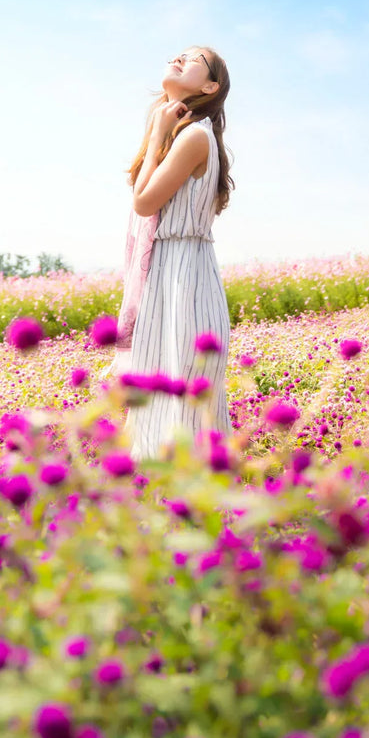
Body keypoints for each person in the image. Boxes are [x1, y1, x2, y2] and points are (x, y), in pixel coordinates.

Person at [110, 46, 235, 461]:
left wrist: (161, 133)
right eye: (177, 53)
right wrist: (160, 131)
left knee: (181, 387)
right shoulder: (188, 132)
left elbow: (143, 202)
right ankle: (162, 496)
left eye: (194, 58)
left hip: (184, 276)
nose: (179, 58)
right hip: (170, 271)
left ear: (210, 86)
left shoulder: (194, 136)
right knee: (160, 386)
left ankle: (194, 499)